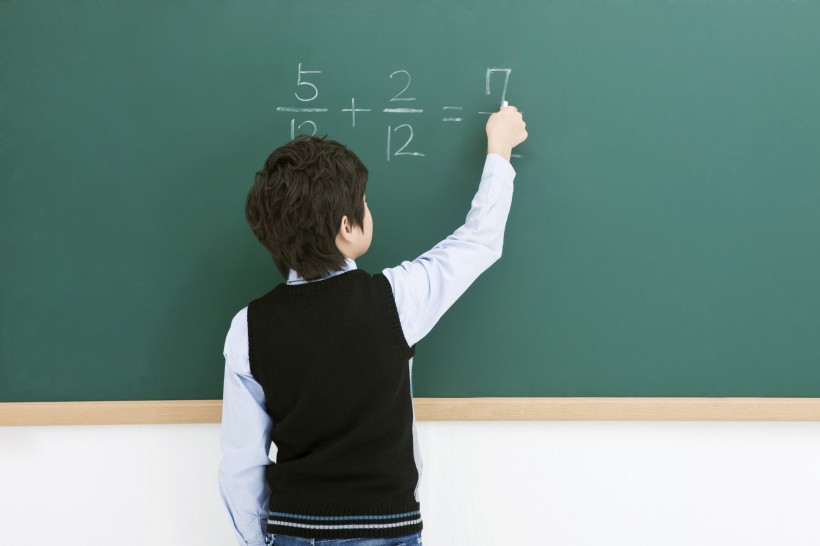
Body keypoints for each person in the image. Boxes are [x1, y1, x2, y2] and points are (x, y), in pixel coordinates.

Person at [219, 105, 527, 546]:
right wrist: (500, 149)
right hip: (386, 526)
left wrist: (262, 539)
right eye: (363, 203)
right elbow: (478, 240)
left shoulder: (248, 326)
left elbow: (241, 465)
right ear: (346, 227)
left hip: (294, 528)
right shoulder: (396, 298)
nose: (368, 209)